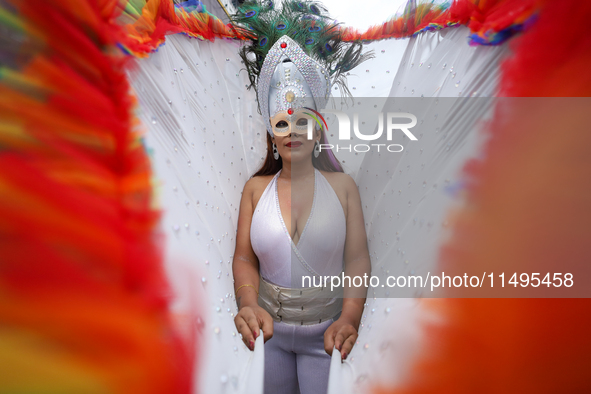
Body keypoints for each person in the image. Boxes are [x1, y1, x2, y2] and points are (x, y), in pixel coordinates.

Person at [230, 1, 372, 393]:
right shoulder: (255, 190)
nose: (292, 129)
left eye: (302, 120)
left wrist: (350, 318)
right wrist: (248, 303)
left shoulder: (344, 188)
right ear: (272, 134)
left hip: (327, 338)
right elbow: (244, 257)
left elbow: (357, 258)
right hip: (267, 336)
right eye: (281, 122)